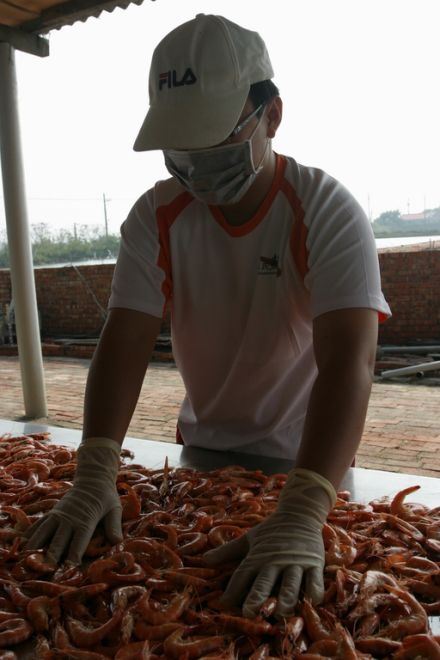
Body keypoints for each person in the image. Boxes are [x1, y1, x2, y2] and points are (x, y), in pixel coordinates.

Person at [26, 14, 391, 618]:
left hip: (309, 464)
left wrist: (303, 507)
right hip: (202, 453)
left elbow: (350, 361)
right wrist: (94, 468)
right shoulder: (157, 216)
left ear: (270, 116)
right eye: (182, 147)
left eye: (215, 140)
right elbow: (125, 340)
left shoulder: (325, 209)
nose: (195, 166)